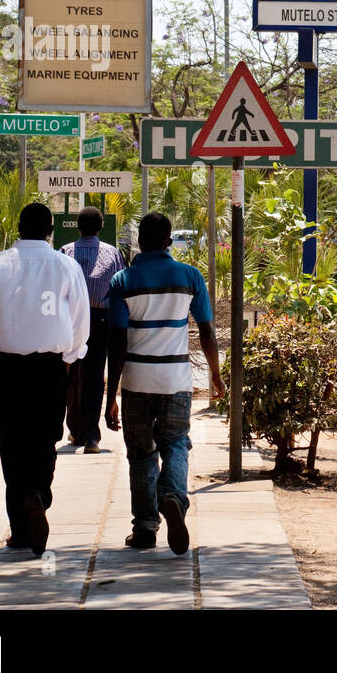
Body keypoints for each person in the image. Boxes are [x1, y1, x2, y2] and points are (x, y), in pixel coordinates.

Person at [0, 203, 90, 557]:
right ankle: (39, 495)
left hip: (10, 370)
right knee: (46, 439)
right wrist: (70, 361)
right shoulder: (67, 266)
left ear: (19, 226)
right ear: (51, 230)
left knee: (12, 444)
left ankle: (20, 527)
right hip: (50, 369)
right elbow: (79, 320)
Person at [105, 213, 224, 554]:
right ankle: (172, 496)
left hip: (136, 382)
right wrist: (215, 375)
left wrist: (110, 396)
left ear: (140, 241)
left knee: (141, 455)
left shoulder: (122, 281)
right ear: (169, 242)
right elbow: (206, 330)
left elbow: (117, 341)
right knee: (174, 443)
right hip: (176, 380)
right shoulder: (190, 277)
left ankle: (144, 528)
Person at [60, 206, 126, 453]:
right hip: (100, 319)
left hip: (71, 319)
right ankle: (91, 436)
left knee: (71, 373)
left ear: (78, 226)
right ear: (100, 227)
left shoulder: (66, 252)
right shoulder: (113, 253)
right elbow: (119, 288)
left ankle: (74, 428)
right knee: (95, 376)